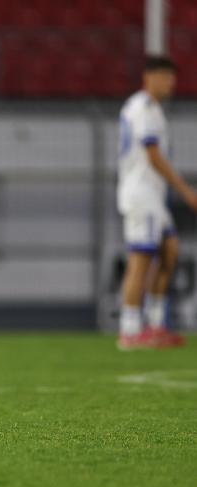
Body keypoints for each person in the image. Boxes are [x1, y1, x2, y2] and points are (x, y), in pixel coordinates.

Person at [117, 55, 197, 350]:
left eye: (172, 78)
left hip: (153, 197)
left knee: (170, 250)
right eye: (165, 77)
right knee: (141, 259)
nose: (170, 83)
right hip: (141, 194)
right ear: (148, 77)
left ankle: (156, 324)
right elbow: (152, 155)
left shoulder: (153, 110)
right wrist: (185, 191)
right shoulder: (143, 108)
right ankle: (129, 329)